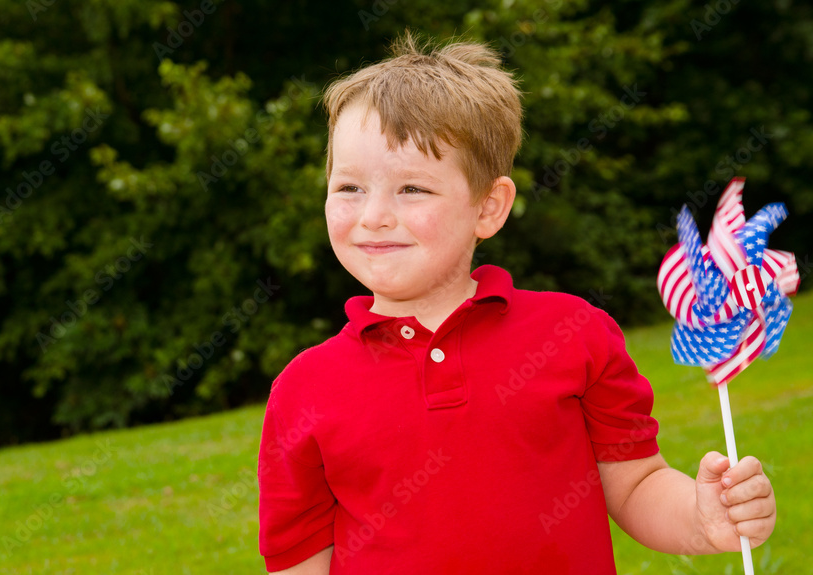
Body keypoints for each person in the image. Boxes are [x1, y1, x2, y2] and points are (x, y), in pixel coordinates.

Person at [257, 31, 776, 574]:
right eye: (349, 188)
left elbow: (635, 484)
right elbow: (301, 560)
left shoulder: (572, 333)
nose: (374, 216)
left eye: (412, 189)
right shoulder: (303, 389)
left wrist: (701, 517)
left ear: (489, 207)